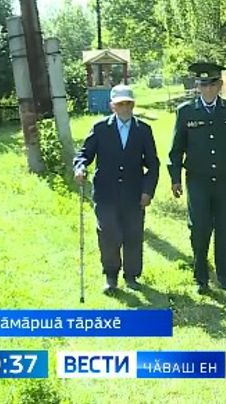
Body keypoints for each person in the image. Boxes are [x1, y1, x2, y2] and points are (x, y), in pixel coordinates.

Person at [167, 62, 226, 294]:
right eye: (203, 85)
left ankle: (225, 277)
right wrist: (175, 179)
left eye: (212, 85)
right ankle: (201, 278)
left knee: (225, 227)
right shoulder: (186, 111)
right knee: (199, 227)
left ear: (220, 85)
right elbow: (176, 149)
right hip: (198, 180)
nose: (208, 89)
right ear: (197, 86)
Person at [73, 84, 160, 295]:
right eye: (120, 104)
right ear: (112, 106)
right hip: (106, 194)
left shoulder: (143, 130)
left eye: (128, 104)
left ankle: (132, 276)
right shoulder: (100, 128)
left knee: (133, 235)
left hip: (133, 194)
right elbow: (84, 154)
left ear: (133, 105)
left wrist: (147, 191)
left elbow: (153, 164)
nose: (125, 108)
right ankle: (111, 276)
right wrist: (80, 168)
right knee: (108, 234)